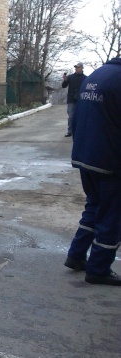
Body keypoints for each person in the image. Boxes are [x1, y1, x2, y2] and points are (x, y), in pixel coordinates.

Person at [64, 57, 121, 286]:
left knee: (95, 207)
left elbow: (77, 116)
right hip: (110, 161)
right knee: (112, 216)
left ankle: (77, 255)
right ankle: (98, 269)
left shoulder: (97, 75)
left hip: (86, 156)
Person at [61, 62, 87, 137]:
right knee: (71, 116)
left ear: (82, 68)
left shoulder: (85, 78)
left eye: (78, 67)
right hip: (71, 100)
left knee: (80, 116)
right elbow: (63, 86)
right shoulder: (70, 77)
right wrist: (65, 80)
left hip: (81, 100)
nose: (76, 68)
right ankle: (70, 131)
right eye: (76, 67)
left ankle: (80, 131)